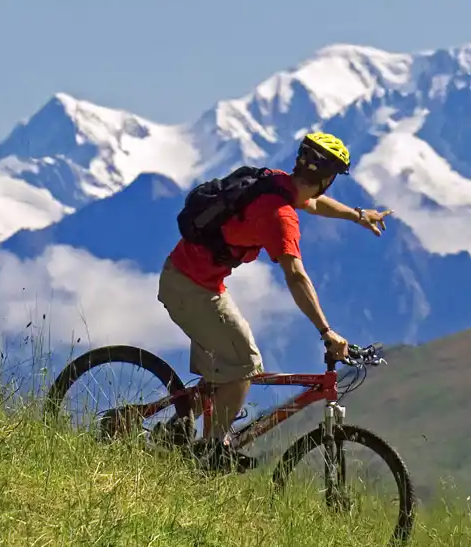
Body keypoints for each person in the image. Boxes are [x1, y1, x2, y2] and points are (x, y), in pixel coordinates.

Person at [158, 130, 389, 465]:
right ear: (327, 179)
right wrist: (327, 332)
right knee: (246, 366)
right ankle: (210, 453)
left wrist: (357, 214)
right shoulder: (280, 216)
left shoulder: (277, 183)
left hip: (190, 281)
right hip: (191, 290)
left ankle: (172, 432)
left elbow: (311, 202)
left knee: (223, 374)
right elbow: (295, 275)